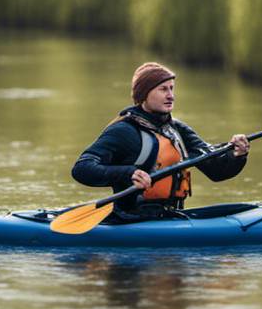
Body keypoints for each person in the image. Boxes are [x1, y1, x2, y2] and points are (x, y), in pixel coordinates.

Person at [71, 62, 250, 219]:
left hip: (170, 215)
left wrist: (237, 155)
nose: (170, 95)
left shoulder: (177, 130)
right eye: (163, 89)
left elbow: (216, 170)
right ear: (144, 95)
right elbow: (82, 168)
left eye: (171, 88)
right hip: (130, 218)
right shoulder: (124, 131)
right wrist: (128, 173)